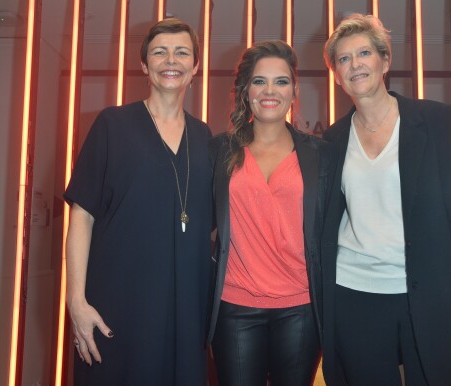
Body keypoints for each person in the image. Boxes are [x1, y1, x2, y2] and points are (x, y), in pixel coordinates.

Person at [320, 14, 451, 386]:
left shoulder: (434, 120)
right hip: (355, 293)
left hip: (431, 292)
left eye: (364, 53)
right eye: (344, 59)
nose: (355, 64)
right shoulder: (331, 142)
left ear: (385, 60)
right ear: (336, 74)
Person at [64, 18, 212, 385]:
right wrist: (77, 302)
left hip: (186, 308)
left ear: (195, 67)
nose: (170, 60)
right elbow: (81, 217)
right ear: (145, 65)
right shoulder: (112, 124)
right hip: (118, 302)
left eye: (182, 52)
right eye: (159, 52)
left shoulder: (206, 136)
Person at [208, 40, 330, 386]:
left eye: (281, 81)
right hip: (235, 305)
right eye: (259, 81)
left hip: (301, 307)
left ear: (294, 90)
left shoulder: (321, 155)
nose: (270, 90)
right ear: (246, 91)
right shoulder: (219, 150)